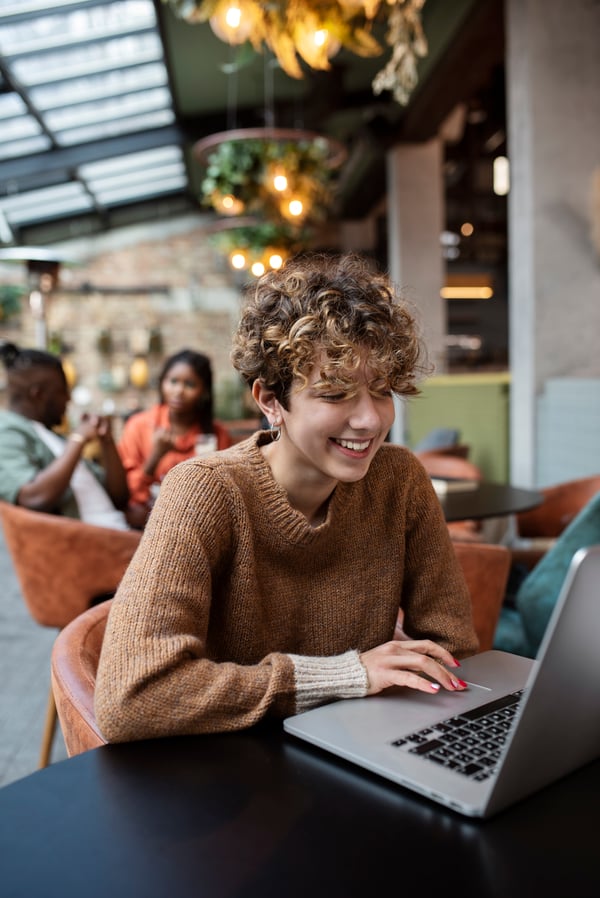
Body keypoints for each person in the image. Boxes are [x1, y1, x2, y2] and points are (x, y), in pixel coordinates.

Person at [95, 252, 478, 743]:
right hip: (228, 774)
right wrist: (348, 676)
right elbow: (131, 697)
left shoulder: (399, 480)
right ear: (270, 400)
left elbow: (452, 650)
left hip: (362, 750)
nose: (370, 420)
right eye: (334, 394)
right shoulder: (204, 491)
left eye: (381, 389)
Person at [0, 342, 130, 529]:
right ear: (38, 395)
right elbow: (33, 498)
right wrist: (77, 441)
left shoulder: (52, 438)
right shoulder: (6, 432)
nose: (68, 399)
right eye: (62, 391)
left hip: (118, 537)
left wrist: (107, 441)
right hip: (88, 545)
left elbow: (119, 498)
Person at [118, 348, 231, 528]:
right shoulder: (138, 426)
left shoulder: (216, 435)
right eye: (172, 381)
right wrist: (155, 456)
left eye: (190, 385)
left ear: (204, 391)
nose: (178, 391)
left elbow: (225, 493)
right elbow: (127, 494)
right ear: (162, 383)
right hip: (146, 523)